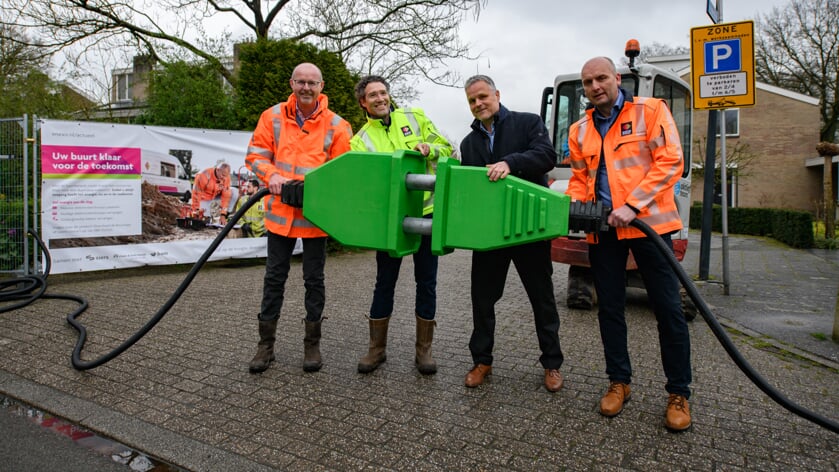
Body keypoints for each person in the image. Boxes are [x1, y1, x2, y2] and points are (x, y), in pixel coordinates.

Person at [565, 56, 692, 431]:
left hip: (650, 226)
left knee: (668, 309)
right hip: (602, 231)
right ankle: (619, 382)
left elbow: (670, 162)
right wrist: (574, 208)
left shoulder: (650, 111)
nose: (594, 86)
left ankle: (678, 392)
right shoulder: (579, 129)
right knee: (610, 309)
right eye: (588, 82)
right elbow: (578, 176)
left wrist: (632, 206)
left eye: (601, 78)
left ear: (616, 78)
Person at [459, 75, 565, 393]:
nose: (478, 104)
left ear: (497, 95)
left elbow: (547, 156)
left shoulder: (528, 123)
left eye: (482, 97)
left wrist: (510, 162)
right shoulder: (469, 143)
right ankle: (482, 361)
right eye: (472, 101)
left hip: (529, 228)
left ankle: (552, 365)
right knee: (482, 299)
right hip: (490, 234)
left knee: (542, 299)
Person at [245, 62, 353, 374]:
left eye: (312, 83)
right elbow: (256, 155)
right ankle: (265, 347)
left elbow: (343, 171)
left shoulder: (337, 125)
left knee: (314, 281)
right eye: (301, 82)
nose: (306, 88)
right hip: (280, 214)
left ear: (322, 87)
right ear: (292, 83)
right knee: (274, 279)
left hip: (316, 216)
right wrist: (272, 174)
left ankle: (312, 345)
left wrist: (316, 190)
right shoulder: (273, 116)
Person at [349, 75, 453, 375]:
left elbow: (445, 148)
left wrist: (429, 149)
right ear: (363, 102)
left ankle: (424, 352)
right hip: (391, 221)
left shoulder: (414, 117)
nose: (380, 98)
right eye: (373, 95)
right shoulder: (359, 140)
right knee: (385, 282)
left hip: (426, 212)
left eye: (383, 92)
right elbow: (366, 184)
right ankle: (376, 350)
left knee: (427, 281)